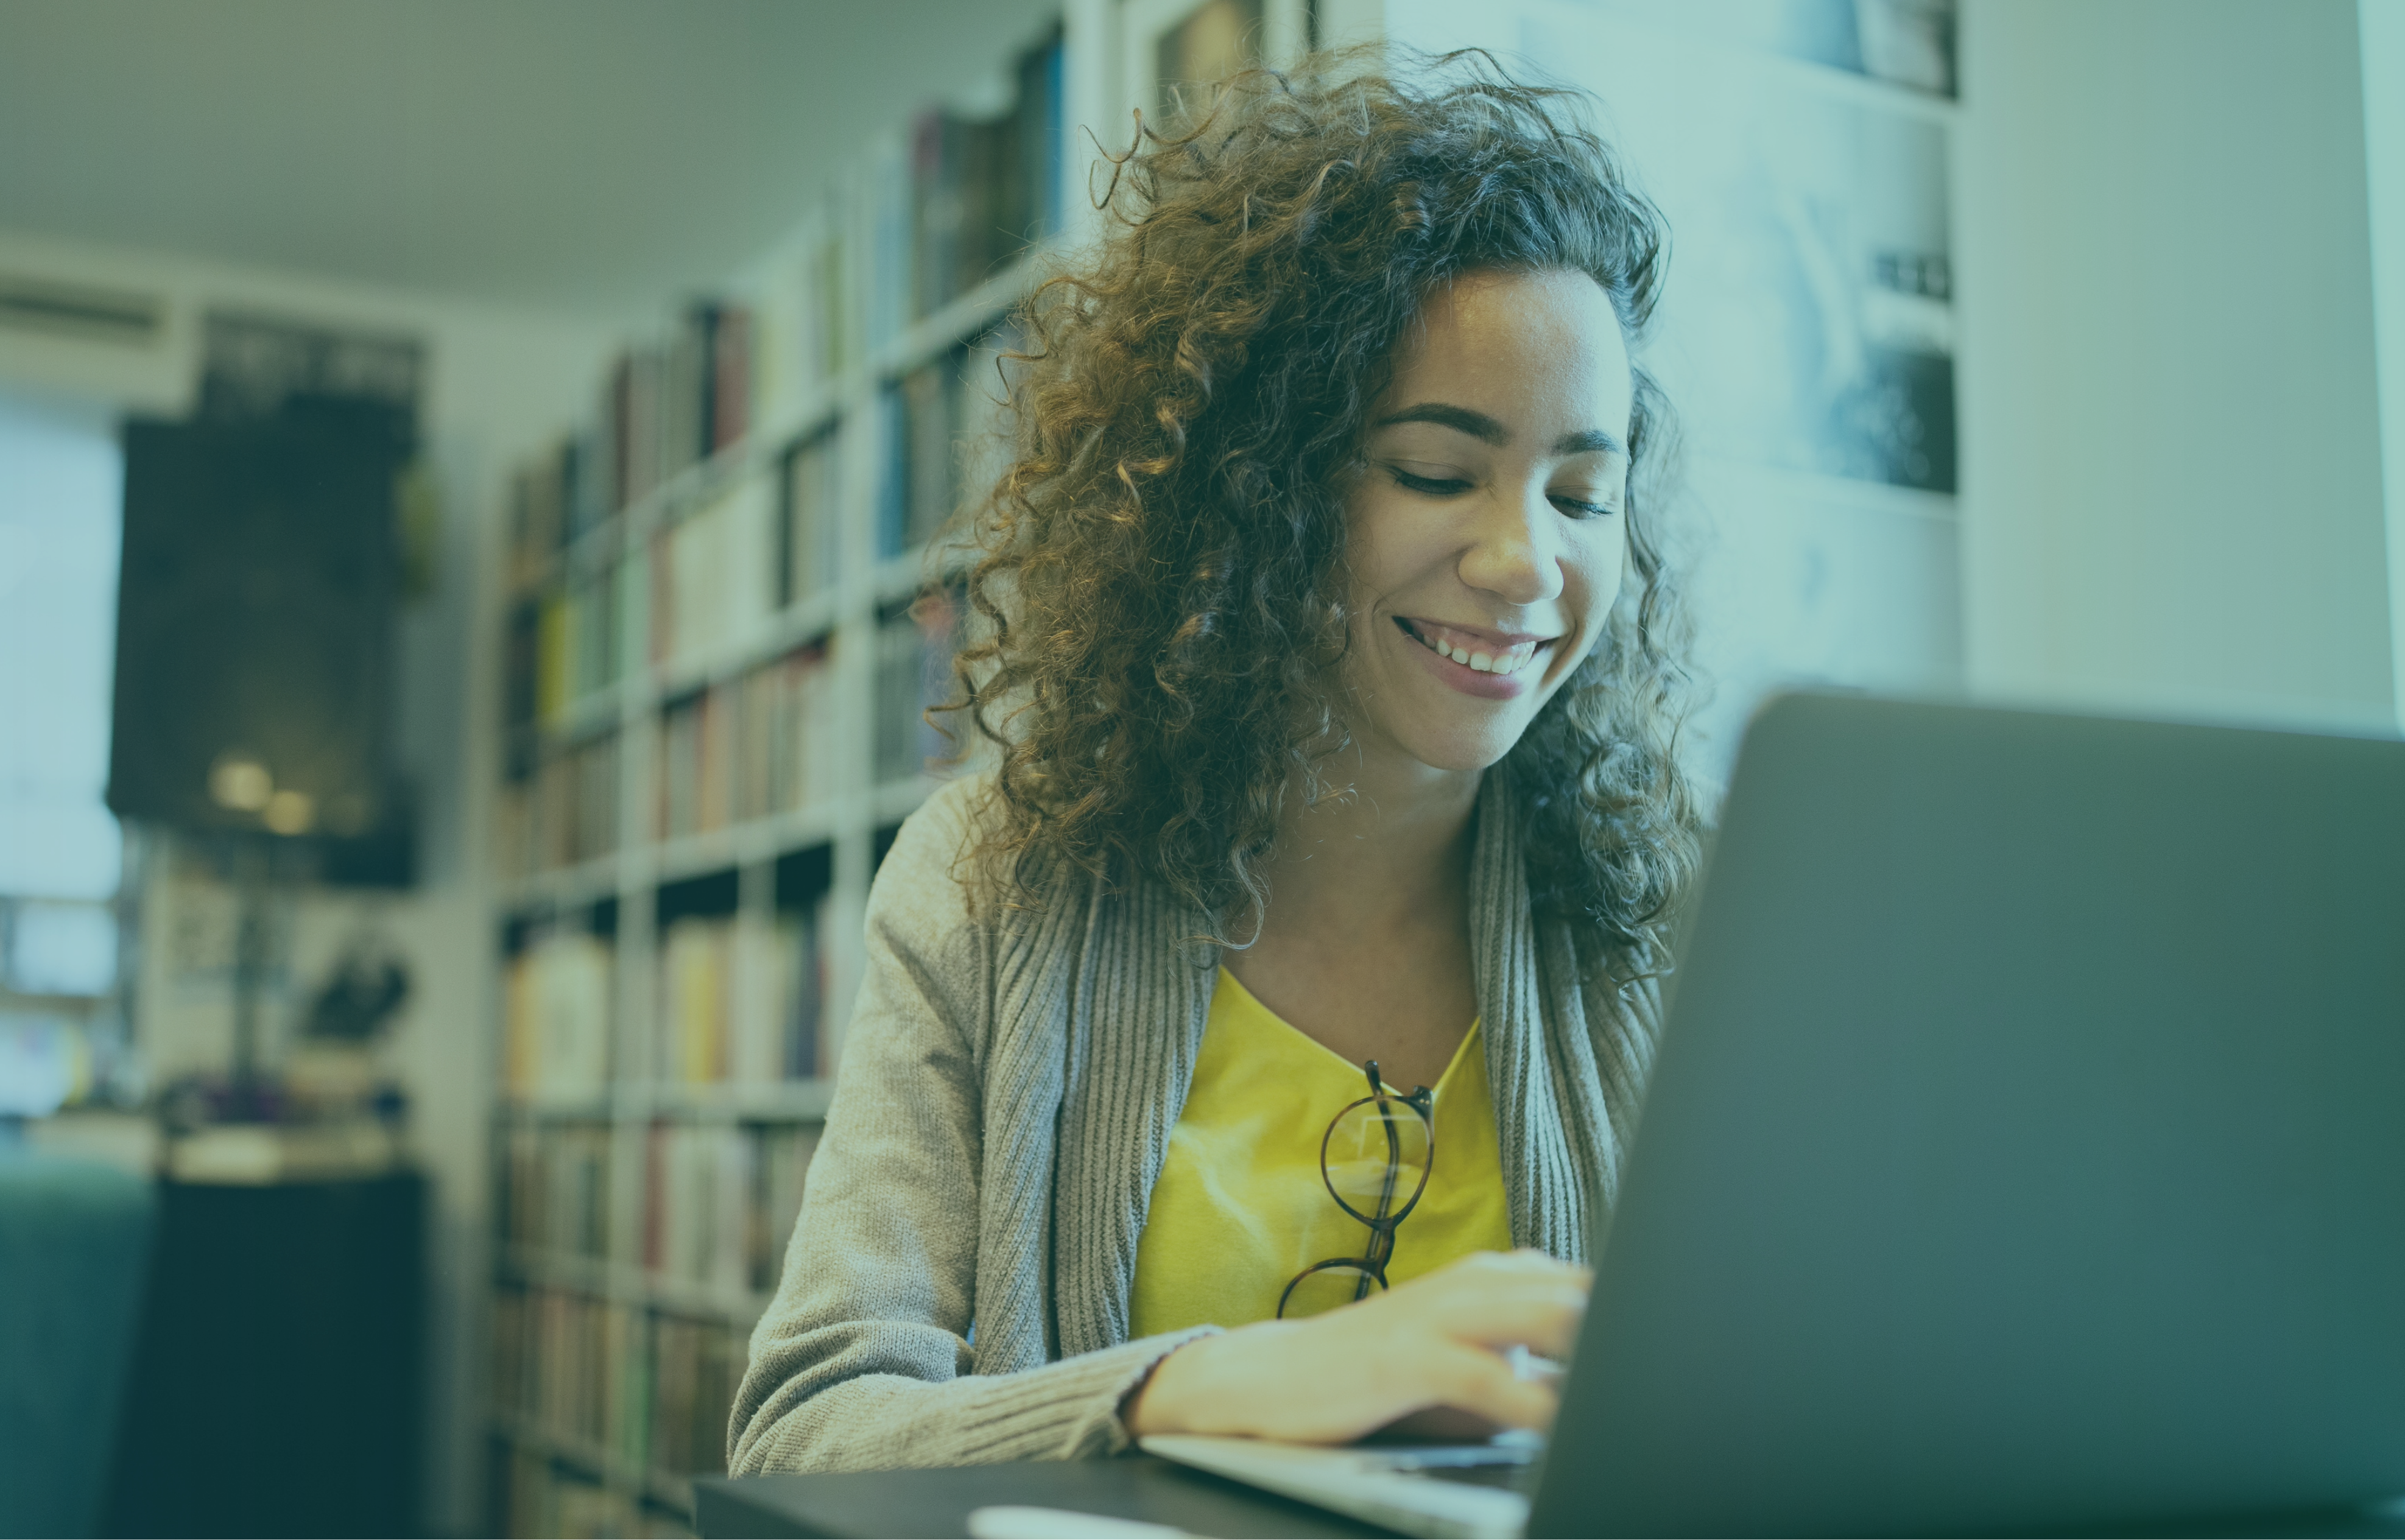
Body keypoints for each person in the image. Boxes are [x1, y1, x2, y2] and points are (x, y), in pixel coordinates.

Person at [728, 50, 1699, 1475]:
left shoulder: (1682, 908)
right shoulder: (993, 878)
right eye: (1438, 471)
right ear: (1257, 483)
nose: (1525, 564)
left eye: (1581, 494)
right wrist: (1209, 1386)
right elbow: (802, 1432)